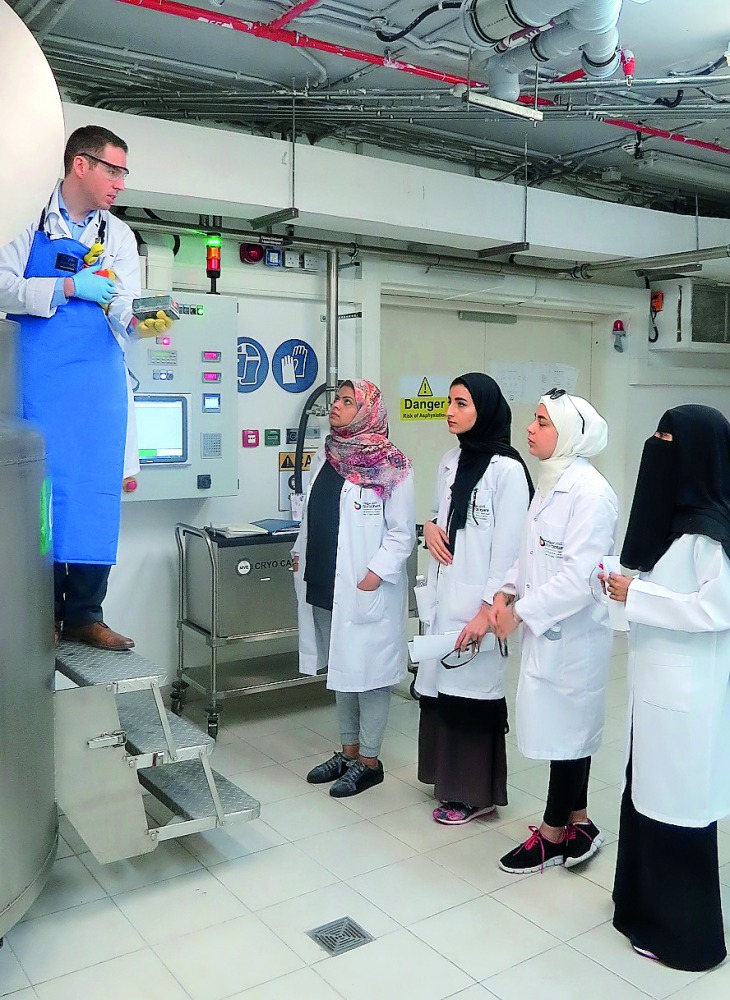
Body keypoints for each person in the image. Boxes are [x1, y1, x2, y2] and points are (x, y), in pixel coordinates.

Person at [0, 125, 140, 651]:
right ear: (81, 164)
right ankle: (42, 615)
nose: (120, 183)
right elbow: (2, 286)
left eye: (124, 173)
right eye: (113, 170)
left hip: (96, 384)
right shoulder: (23, 218)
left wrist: (142, 318)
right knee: (37, 494)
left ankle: (85, 614)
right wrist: (67, 286)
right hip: (36, 381)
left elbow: (124, 304)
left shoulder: (118, 237)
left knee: (92, 493)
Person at [606, 404, 730, 972]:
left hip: (687, 699)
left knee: (678, 811)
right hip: (656, 692)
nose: (657, 446)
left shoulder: (710, 532)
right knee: (646, 799)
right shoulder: (673, 526)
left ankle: (689, 940)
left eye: (668, 438)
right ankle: (641, 911)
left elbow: (716, 609)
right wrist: (624, 591)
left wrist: (638, 596)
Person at [493, 389, 618, 873]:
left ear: (566, 433)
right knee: (567, 732)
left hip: (574, 636)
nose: (530, 429)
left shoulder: (590, 494)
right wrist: (507, 590)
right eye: (534, 419)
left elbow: (579, 579)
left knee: (569, 733)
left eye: (542, 422)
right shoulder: (550, 482)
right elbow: (529, 555)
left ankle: (550, 834)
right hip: (549, 631)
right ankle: (579, 821)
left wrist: (521, 612)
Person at [415, 373, 532, 825]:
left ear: (484, 410)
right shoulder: (450, 460)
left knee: (472, 694)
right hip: (446, 596)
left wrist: (488, 608)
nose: (450, 411)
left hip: (481, 603)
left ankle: (474, 794)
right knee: (443, 691)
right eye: (449, 402)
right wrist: (428, 528)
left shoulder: (507, 471)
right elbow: (439, 517)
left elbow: (511, 550)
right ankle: (447, 782)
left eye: (461, 403)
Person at [293, 379, 416, 797]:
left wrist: (374, 575)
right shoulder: (327, 454)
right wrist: (300, 552)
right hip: (325, 580)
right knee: (341, 669)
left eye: (348, 401)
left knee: (372, 676)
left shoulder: (392, 464)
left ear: (367, 411)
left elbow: (401, 533)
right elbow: (312, 514)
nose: (337, 406)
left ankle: (369, 761)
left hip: (364, 587)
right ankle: (348, 753)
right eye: (338, 400)